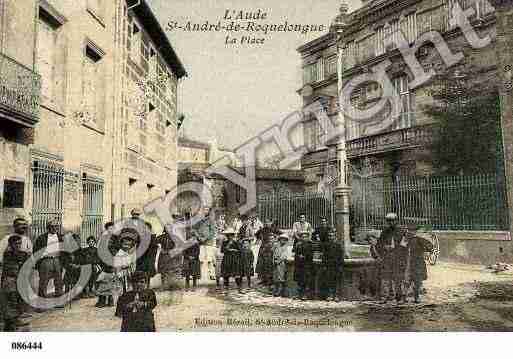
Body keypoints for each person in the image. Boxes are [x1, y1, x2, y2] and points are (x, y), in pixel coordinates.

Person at [1, 235, 30, 331]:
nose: (18, 245)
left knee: (19, 299)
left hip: (18, 280)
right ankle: (11, 322)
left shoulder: (21, 253)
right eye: (16, 243)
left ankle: (16, 319)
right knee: (11, 299)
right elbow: (13, 267)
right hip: (10, 280)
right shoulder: (8, 254)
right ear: (11, 244)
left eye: (19, 243)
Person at [376, 213, 405, 304]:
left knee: (398, 279)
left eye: (393, 220)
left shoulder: (401, 231)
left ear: (396, 221)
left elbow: (405, 245)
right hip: (387, 258)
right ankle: (384, 297)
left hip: (398, 258)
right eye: (389, 221)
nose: (391, 222)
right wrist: (384, 247)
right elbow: (378, 245)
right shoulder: (384, 232)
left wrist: (397, 248)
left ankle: (399, 298)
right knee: (385, 278)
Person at [33, 220, 64, 301]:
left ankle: (59, 301)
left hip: (57, 260)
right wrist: (38, 263)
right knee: (43, 281)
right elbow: (35, 251)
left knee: (59, 281)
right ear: (48, 227)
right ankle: (41, 303)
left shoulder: (61, 237)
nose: (55, 228)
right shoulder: (41, 238)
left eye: (56, 226)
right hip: (46, 261)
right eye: (52, 226)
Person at [405, 222, 433, 303]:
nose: (411, 232)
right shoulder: (405, 240)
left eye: (413, 230)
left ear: (415, 231)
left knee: (417, 280)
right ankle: (404, 297)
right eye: (409, 230)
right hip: (408, 262)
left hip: (417, 263)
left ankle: (416, 297)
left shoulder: (419, 239)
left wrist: (425, 251)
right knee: (407, 280)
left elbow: (430, 246)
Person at [95, 224, 122, 308]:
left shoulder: (115, 238)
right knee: (102, 280)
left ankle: (110, 300)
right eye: (110, 228)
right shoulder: (103, 238)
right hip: (103, 260)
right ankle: (102, 300)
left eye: (112, 228)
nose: (111, 229)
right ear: (106, 229)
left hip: (112, 260)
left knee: (111, 279)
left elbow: (118, 247)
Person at [322, 228, 344, 301]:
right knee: (329, 280)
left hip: (336, 265)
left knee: (337, 281)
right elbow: (324, 256)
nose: (330, 237)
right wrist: (324, 265)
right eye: (329, 236)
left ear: (335, 236)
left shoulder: (338, 245)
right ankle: (330, 295)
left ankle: (337, 295)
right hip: (329, 265)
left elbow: (341, 257)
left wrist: (340, 266)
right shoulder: (326, 245)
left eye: (332, 236)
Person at [255, 219, 280, 286]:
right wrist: (259, 238)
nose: (267, 223)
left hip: (271, 247)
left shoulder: (274, 229)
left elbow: (281, 234)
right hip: (263, 247)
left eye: (268, 222)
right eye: (265, 222)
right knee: (261, 263)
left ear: (271, 223)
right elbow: (256, 234)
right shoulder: (262, 229)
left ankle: (270, 280)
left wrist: (276, 239)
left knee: (269, 263)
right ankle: (263, 280)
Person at [136, 222, 159, 287]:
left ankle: (147, 285)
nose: (145, 229)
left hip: (149, 257)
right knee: (140, 272)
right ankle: (140, 285)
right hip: (141, 257)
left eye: (147, 228)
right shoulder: (140, 236)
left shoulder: (152, 237)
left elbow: (155, 247)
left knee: (147, 272)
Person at [293, 231, 314, 300]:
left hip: (307, 265)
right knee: (299, 280)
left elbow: (311, 255)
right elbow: (295, 253)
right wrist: (298, 256)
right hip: (299, 265)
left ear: (307, 237)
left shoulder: (310, 244)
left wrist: (304, 256)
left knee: (306, 280)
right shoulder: (298, 245)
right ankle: (299, 294)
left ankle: (305, 294)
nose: (304, 238)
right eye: (302, 237)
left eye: (305, 237)